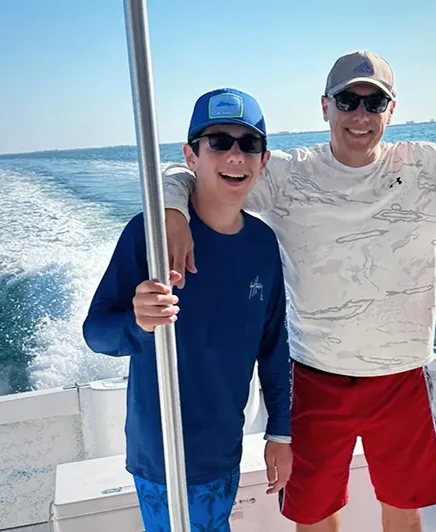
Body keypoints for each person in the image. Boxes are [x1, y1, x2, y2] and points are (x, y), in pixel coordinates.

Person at [159, 14, 436, 532]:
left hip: (402, 375)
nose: (359, 115)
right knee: (314, 517)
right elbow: (187, 172)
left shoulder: (423, 165)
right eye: (347, 101)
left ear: (391, 109)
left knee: (403, 515)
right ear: (325, 106)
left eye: (374, 102)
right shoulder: (288, 175)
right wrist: (172, 213)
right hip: (315, 376)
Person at [82, 87, 293, 532]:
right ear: (191, 155)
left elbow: (274, 348)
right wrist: (138, 324)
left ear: (263, 160)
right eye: (219, 142)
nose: (235, 156)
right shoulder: (149, 235)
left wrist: (280, 432)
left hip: (223, 448)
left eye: (249, 144)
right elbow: (96, 332)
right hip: (159, 451)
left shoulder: (263, 244)